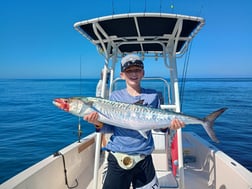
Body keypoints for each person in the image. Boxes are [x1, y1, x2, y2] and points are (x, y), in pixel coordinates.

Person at [84, 54, 184, 189]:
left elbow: (157, 126)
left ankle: (204, 122)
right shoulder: (115, 96)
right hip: (118, 156)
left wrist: (169, 126)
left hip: (144, 158)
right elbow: (110, 128)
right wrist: (97, 122)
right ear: (122, 75)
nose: (133, 74)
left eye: (137, 70)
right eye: (129, 71)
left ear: (143, 73)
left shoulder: (152, 96)